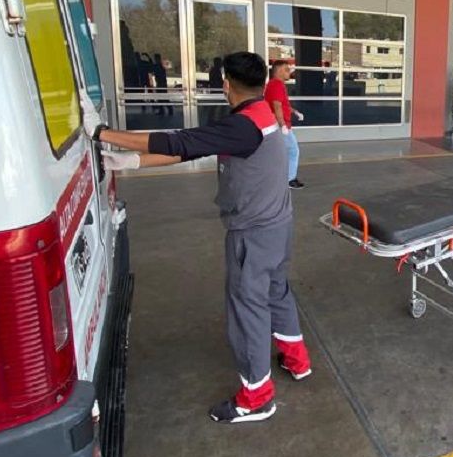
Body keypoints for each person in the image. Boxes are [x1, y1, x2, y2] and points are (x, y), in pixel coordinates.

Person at [91, 52, 311, 424]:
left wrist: (103, 135)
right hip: (278, 226)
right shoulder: (260, 116)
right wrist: (131, 161)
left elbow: (180, 141)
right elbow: (191, 148)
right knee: (277, 293)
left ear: (226, 84)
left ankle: (257, 398)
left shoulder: (242, 126)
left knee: (248, 311)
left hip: (252, 234)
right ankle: (298, 361)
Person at [266, 61, 306, 190]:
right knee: (293, 151)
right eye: (286, 70)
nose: (289, 72)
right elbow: (277, 106)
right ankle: (290, 179)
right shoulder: (277, 85)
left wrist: (295, 112)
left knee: (280, 152)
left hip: (276, 124)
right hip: (280, 125)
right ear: (278, 71)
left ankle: (277, 178)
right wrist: (282, 125)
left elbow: (283, 105)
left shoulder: (274, 84)